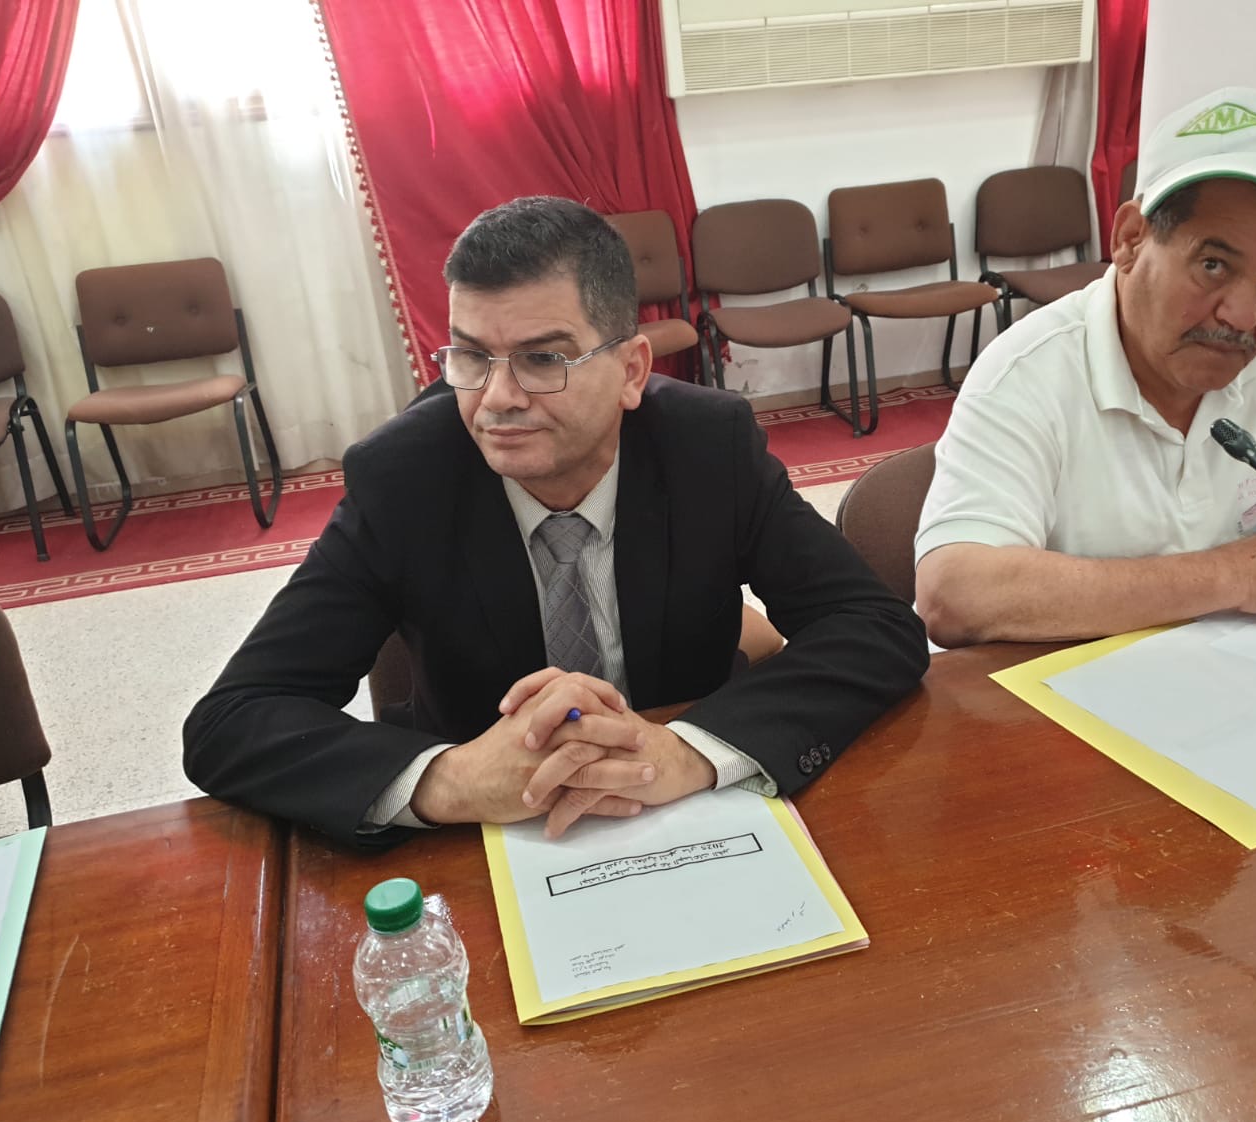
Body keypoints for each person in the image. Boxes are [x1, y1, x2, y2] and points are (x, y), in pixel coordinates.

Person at [184, 196, 928, 847]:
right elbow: (233, 720)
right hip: (493, 835)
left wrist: (691, 751)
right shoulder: (405, 478)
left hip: (690, 814)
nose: (497, 398)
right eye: (470, 357)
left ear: (632, 371)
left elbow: (873, 627)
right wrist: (451, 780)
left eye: (542, 359)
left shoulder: (709, 449)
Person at [915, 87, 1256, 646]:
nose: (1243, 316)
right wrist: (1243, 573)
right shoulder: (1027, 370)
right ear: (1130, 240)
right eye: (1213, 265)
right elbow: (955, 593)